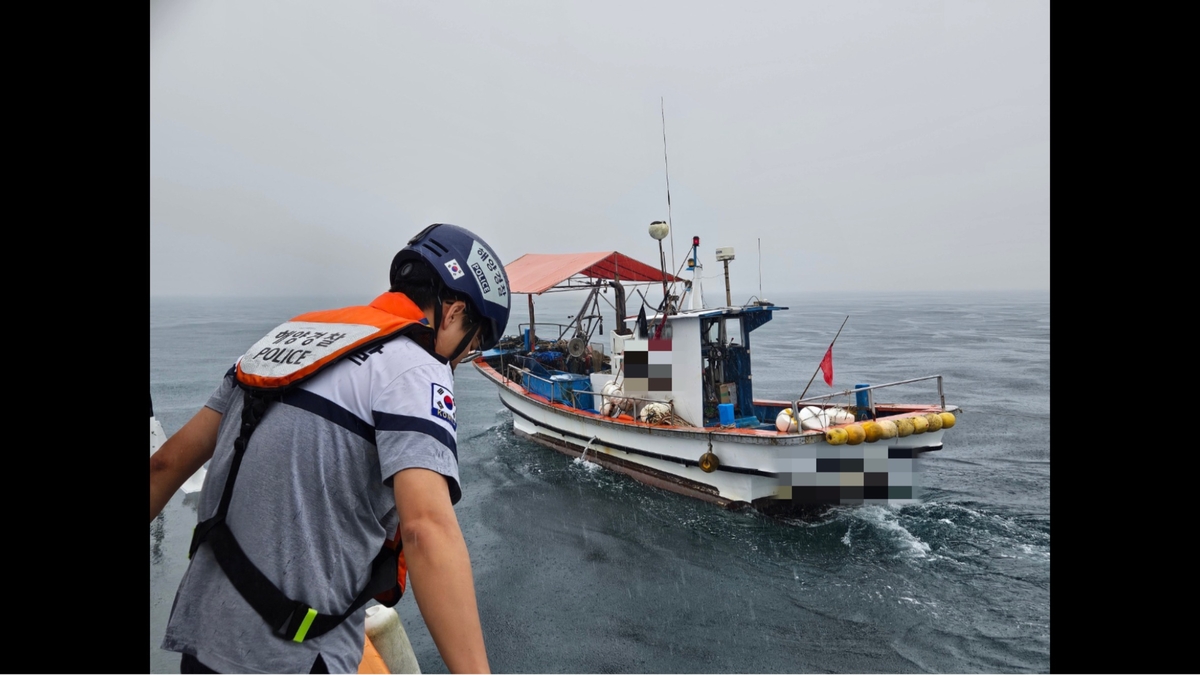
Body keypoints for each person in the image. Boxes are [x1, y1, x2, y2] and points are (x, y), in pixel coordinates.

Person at [150, 223, 510, 674]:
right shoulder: (417, 368)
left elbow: (163, 465)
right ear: (454, 312)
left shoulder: (285, 338)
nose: (459, 361)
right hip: (293, 658)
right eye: (471, 346)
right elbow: (426, 531)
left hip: (202, 643)